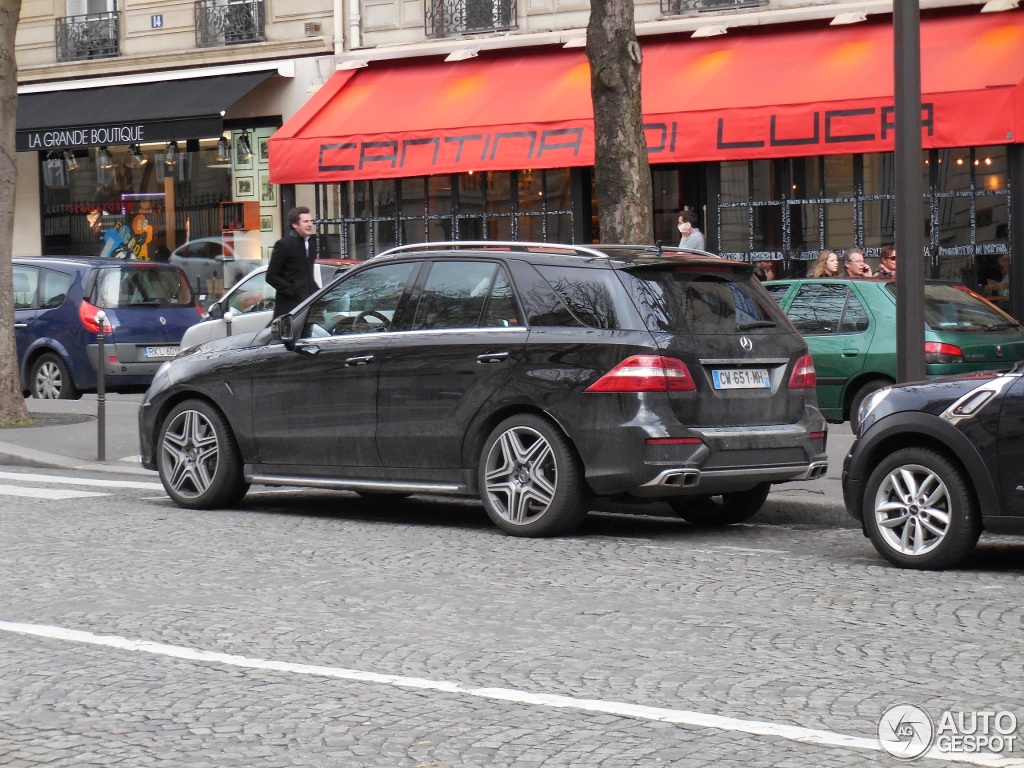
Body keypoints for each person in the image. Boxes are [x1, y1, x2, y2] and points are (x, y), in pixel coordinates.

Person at [266, 206, 317, 319]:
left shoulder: (311, 243)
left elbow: (308, 275)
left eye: (311, 221)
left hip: (309, 306)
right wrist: (293, 291)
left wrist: (318, 294)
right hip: (289, 309)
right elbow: (271, 276)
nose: (310, 224)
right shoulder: (283, 245)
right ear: (295, 225)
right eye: (305, 221)